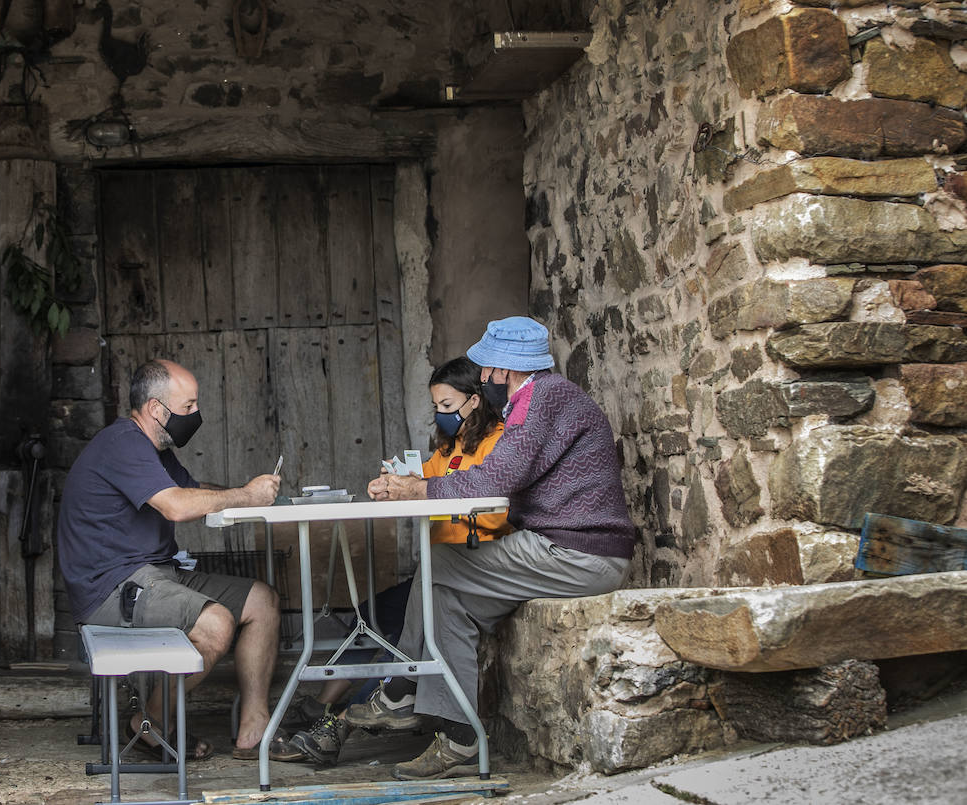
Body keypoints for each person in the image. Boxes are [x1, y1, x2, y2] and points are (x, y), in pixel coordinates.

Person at [356, 317, 638, 780]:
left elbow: (494, 481)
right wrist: (418, 484)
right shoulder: (541, 400)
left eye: (486, 370)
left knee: (441, 560)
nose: (482, 379)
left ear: (504, 371)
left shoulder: (542, 399)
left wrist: (417, 488)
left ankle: (403, 684)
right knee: (447, 599)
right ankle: (460, 740)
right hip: (568, 549)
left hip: (577, 554)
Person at [57, 358, 303, 762]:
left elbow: (192, 490)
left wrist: (246, 491)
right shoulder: (124, 444)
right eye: (188, 407)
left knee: (262, 600)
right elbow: (174, 505)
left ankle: (254, 729)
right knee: (216, 623)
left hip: (153, 575)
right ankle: (149, 723)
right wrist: (246, 496)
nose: (196, 415)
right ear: (156, 409)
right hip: (111, 588)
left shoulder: (155, 450)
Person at [286, 356, 514, 764]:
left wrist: (426, 491)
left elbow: (493, 511)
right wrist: (393, 484)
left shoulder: (499, 443)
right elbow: (423, 481)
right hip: (438, 566)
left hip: (474, 567)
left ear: (474, 402)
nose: (440, 415)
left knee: (399, 634)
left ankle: (343, 722)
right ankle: (333, 704)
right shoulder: (450, 446)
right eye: (437, 408)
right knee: (372, 613)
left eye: (447, 406)